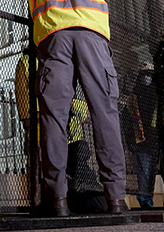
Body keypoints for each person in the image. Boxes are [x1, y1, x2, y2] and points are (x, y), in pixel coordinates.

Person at [28, 0, 127, 216]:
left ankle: (56, 198)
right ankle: (115, 197)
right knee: (104, 113)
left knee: (54, 118)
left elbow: (34, 8)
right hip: (92, 38)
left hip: (53, 42)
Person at [13, 51, 107, 213]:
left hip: (60, 134)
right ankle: (58, 202)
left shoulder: (53, 59)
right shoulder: (32, 61)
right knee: (53, 175)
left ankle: (60, 202)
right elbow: (23, 98)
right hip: (47, 133)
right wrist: (27, 118)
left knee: (60, 174)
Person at [124, 62, 159, 209]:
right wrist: (130, 140)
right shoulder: (134, 97)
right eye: (145, 75)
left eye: (150, 75)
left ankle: (148, 199)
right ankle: (145, 201)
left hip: (154, 140)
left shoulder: (156, 95)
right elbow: (127, 118)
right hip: (141, 141)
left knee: (150, 174)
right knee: (143, 174)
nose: (147, 78)